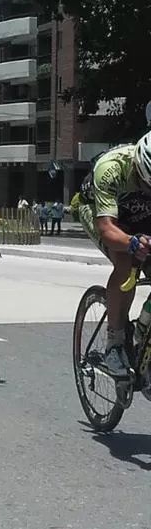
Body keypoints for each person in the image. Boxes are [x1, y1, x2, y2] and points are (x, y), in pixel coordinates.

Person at [78, 133, 151, 377]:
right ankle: (114, 341)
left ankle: (142, 330)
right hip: (101, 212)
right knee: (125, 263)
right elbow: (108, 229)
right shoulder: (112, 169)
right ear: (138, 169)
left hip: (141, 214)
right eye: (147, 184)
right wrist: (131, 244)